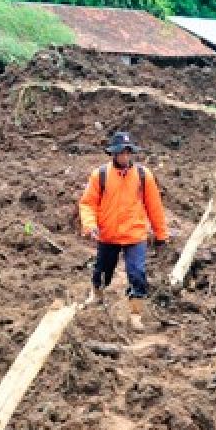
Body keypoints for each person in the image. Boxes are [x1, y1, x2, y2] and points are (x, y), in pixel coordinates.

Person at [78, 131, 169, 331]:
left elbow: (155, 206)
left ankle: (136, 313)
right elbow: (88, 204)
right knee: (102, 271)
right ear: (113, 154)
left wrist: (161, 234)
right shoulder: (100, 175)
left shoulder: (144, 176)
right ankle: (97, 296)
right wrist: (90, 225)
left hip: (135, 235)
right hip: (108, 234)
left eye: (128, 152)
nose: (125, 157)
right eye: (121, 153)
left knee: (137, 273)